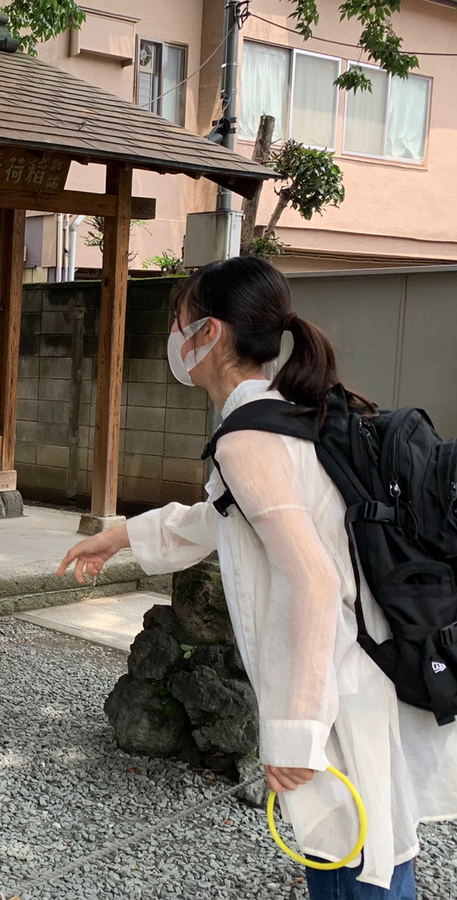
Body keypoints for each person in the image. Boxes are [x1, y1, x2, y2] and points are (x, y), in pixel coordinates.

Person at [57, 257, 456, 899]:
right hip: (362, 674)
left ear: (209, 333)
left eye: (179, 321)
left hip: (332, 691)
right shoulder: (290, 416)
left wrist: (293, 733)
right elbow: (226, 519)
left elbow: (314, 581)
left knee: (353, 864)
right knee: (372, 849)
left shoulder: (248, 440)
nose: (174, 337)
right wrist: (123, 534)